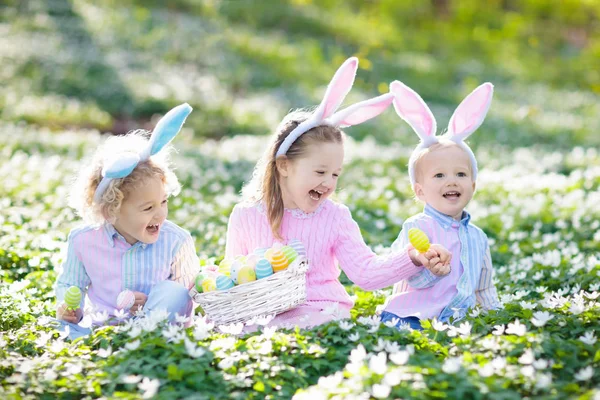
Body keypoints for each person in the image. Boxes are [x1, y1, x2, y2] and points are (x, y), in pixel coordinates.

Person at [225, 57, 451, 329]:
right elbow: (235, 276)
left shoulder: (335, 217)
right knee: (245, 330)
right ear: (284, 165)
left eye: (335, 174)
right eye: (320, 172)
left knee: (301, 327)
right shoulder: (246, 215)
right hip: (264, 314)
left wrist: (413, 256)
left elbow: (365, 273)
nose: (328, 183)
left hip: (322, 310)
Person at [54, 104, 199, 339]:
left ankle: (145, 337)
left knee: (174, 293)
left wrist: (151, 303)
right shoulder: (84, 241)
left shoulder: (176, 241)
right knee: (64, 328)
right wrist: (70, 308)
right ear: (112, 210)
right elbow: (71, 283)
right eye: (147, 208)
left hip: (157, 325)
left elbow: (186, 294)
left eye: (163, 202)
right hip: (102, 326)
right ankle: (109, 339)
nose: (160, 214)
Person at [380, 81, 502, 330]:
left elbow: (484, 286)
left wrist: (497, 318)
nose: (451, 181)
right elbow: (405, 275)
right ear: (419, 190)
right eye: (439, 176)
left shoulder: (478, 237)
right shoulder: (415, 227)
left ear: (473, 185)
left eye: (460, 174)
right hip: (409, 315)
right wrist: (429, 269)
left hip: (456, 321)